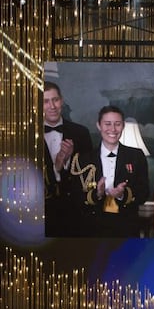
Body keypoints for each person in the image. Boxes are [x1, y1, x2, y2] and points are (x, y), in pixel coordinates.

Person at [70, 105, 150, 237]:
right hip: (92, 228)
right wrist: (97, 194)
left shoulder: (136, 155)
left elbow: (144, 192)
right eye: (107, 124)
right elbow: (76, 196)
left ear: (123, 126)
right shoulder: (83, 159)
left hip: (127, 227)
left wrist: (122, 194)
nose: (112, 129)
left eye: (117, 124)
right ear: (99, 125)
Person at [43, 81, 93, 237]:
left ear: (62, 101)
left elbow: (90, 176)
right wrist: (56, 167)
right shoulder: (25, 136)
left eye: (55, 100)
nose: (52, 106)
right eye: (45, 101)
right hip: (39, 214)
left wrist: (69, 160)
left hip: (75, 214)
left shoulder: (81, 133)